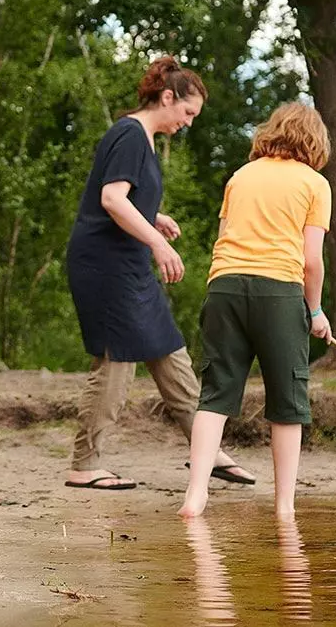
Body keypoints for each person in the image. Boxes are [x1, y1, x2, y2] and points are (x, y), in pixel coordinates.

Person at [62, 57, 255, 491]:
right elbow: (111, 200)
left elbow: (122, 196)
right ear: (167, 97)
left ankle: (207, 449)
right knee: (117, 360)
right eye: (187, 113)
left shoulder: (140, 139)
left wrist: (155, 216)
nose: (187, 123)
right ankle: (84, 463)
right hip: (106, 266)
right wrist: (157, 240)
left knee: (169, 350)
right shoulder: (130, 133)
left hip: (127, 265)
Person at [179, 102, 333, 520]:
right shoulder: (314, 184)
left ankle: (195, 495)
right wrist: (315, 310)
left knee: (215, 394)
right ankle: (284, 507)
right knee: (288, 400)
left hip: (224, 287)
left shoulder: (240, 177)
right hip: (279, 293)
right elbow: (311, 261)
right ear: (315, 142)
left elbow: (224, 237)